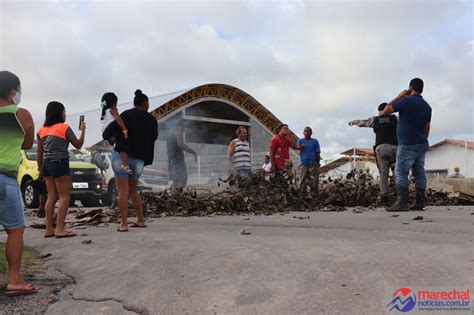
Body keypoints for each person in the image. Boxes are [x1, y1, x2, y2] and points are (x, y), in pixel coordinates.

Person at [0, 71, 37, 296]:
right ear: (13, 92)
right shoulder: (21, 114)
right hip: (5, 178)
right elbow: (26, 143)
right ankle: (14, 279)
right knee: (15, 230)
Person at [104, 89, 158, 232]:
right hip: (139, 161)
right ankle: (140, 220)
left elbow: (107, 132)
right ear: (146, 104)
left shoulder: (126, 115)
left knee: (122, 191)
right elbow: (154, 138)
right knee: (133, 190)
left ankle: (124, 224)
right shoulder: (152, 120)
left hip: (122, 158)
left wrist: (117, 139)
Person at [37, 101, 86, 238]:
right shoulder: (64, 128)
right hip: (60, 163)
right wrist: (83, 131)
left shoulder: (41, 130)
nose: (65, 114)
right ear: (59, 113)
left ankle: (48, 230)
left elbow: (39, 151)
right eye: (64, 111)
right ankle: (59, 229)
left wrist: (39, 168)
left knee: (51, 196)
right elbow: (78, 145)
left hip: (46, 165)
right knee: (65, 197)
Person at [382, 78, 432, 211]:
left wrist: (399, 96)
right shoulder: (427, 106)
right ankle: (419, 202)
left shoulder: (406, 101)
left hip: (407, 143)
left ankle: (402, 203)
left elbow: (385, 111)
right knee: (419, 172)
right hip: (421, 143)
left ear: (410, 89)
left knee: (400, 172)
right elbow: (427, 126)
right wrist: (423, 140)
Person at [349, 102, 398, 202]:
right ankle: (400, 195)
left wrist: (353, 122)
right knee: (397, 173)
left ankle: (384, 195)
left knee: (383, 173)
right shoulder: (395, 119)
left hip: (381, 149)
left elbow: (363, 122)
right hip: (394, 149)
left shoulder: (374, 120)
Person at [100, 92, 131, 174]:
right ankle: (124, 163)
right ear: (113, 103)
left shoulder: (104, 112)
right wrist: (125, 130)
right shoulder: (112, 111)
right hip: (110, 131)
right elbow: (118, 119)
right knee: (121, 124)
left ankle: (123, 162)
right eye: (116, 103)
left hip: (107, 135)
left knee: (121, 143)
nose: (117, 106)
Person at [167, 121, 197, 191]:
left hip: (171, 160)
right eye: (183, 127)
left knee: (176, 181)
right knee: (183, 180)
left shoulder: (170, 135)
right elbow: (181, 144)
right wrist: (193, 152)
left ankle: (174, 197)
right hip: (177, 161)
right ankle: (176, 194)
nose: (184, 130)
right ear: (180, 126)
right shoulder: (178, 132)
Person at [296, 127, 321, 197]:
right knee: (302, 180)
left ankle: (314, 195)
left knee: (314, 180)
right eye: (305, 131)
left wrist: (318, 163)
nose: (307, 132)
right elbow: (297, 147)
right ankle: (302, 195)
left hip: (313, 164)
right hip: (303, 164)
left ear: (311, 133)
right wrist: (301, 147)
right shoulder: (300, 141)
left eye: (309, 131)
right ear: (303, 133)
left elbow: (317, 153)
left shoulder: (315, 141)